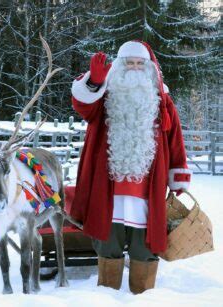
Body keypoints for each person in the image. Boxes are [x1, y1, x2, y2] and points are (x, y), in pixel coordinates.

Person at [70, 41, 192, 293]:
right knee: (107, 244)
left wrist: (177, 174)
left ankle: (144, 296)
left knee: (145, 248)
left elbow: (175, 139)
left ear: (149, 69)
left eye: (140, 64)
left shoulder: (161, 99)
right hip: (108, 191)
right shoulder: (103, 95)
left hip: (148, 191)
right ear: (119, 66)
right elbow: (82, 106)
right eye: (129, 63)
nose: (135, 68)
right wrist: (93, 82)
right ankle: (106, 296)